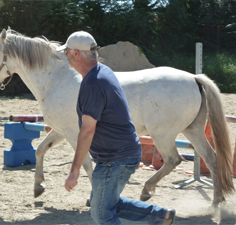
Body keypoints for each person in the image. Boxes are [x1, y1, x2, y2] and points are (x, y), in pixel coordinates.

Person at [56, 31, 176, 225]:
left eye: (67, 52)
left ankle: (160, 217)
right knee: (105, 203)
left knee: (101, 214)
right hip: (122, 153)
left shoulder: (93, 83)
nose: (66, 56)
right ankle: (161, 216)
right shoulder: (103, 71)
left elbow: (87, 131)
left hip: (114, 159)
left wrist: (74, 170)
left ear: (77, 54)